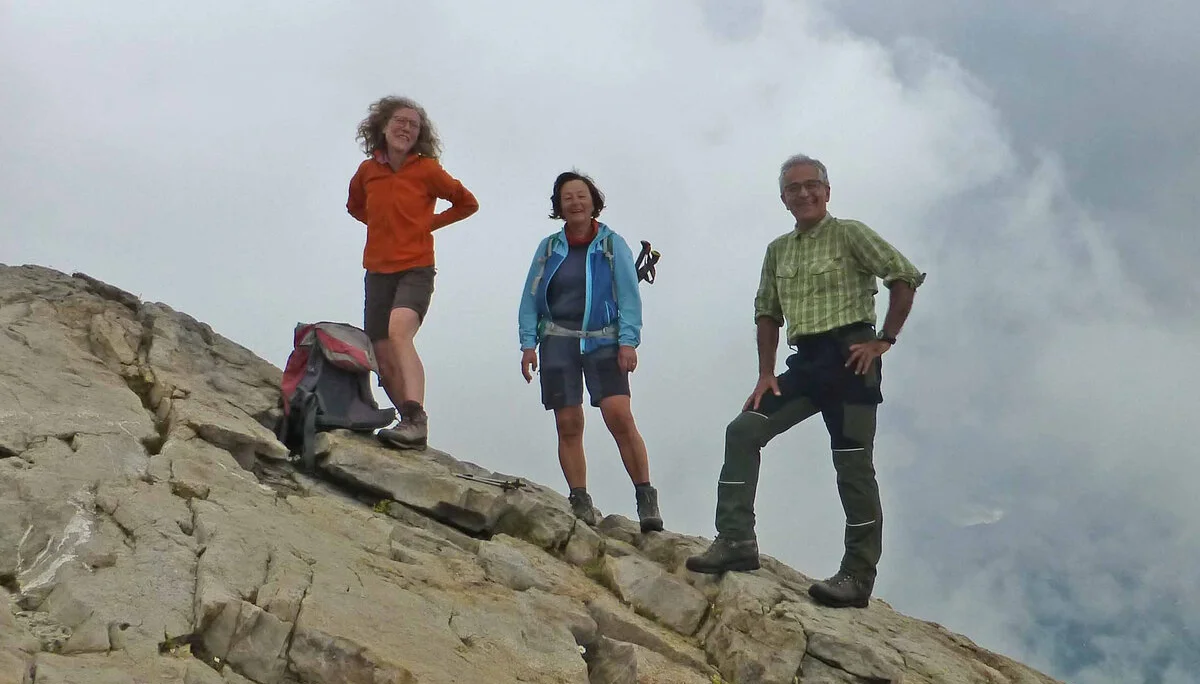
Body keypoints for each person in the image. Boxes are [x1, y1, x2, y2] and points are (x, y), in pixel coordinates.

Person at [685, 154, 926, 609]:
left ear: (827, 191)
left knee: (854, 467)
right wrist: (763, 373)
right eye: (793, 188)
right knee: (743, 431)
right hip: (805, 364)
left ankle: (857, 575)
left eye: (811, 185)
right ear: (783, 199)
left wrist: (884, 340)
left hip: (852, 358)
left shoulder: (850, 233)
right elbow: (766, 313)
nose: (804, 193)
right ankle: (736, 541)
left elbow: (904, 276)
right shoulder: (779, 250)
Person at [517, 171, 663, 533]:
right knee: (568, 423)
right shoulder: (549, 248)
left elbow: (630, 296)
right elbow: (530, 298)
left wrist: (628, 341)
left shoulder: (613, 245)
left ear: (594, 201)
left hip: (604, 340)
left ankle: (646, 498)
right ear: (559, 206)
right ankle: (579, 499)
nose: (575, 203)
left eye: (581, 196)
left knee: (619, 417)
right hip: (557, 341)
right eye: (567, 198)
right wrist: (527, 344)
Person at [346, 96, 478, 449]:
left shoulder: (427, 170)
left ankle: (416, 417)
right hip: (377, 269)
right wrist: (383, 227)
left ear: (420, 135)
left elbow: (467, 202)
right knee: (380, 349)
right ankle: (407, 422)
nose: (406, 128)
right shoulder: (367, 171)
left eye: (413, 125)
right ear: (383, 126)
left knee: (399, 332)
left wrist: (427, 224)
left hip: (416, 266)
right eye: (400, 121)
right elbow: (355, 206)